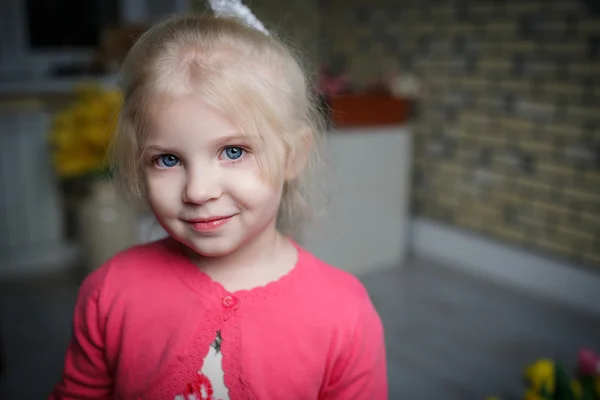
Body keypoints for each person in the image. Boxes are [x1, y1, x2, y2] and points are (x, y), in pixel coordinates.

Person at [50, 8, 387, 400]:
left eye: (233, 151)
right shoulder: (109, 291)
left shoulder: (344, 311)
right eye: (168, 159)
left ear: (294, 156)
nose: (198, 190)